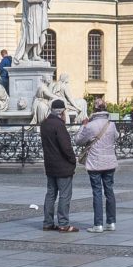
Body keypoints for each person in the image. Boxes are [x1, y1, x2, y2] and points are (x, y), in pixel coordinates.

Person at [38, 98, 79, 233]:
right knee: (64, 195)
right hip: (62, 166)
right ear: (61, 112)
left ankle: (48, 222)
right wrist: (73, 159)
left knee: (50, 194)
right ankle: (63, 223)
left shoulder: (44, 124)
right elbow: (66, 146)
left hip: (50, 165)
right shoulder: (59, 125)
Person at [77, 105, 119, 233]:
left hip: (95, 163)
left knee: (97, 192)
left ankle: (98, 224)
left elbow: (78, 140)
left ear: (94, 111)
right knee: (109, 191)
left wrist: (82, 126)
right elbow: (116, 136)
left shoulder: (90, 125)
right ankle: (111, 222)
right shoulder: (111, 124)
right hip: (109, 162)